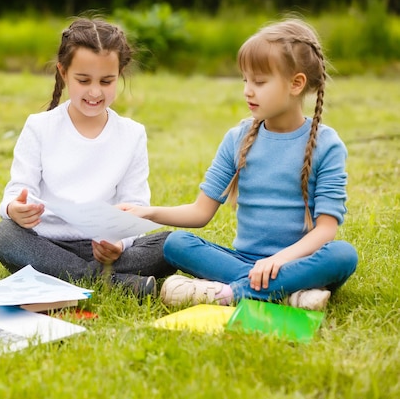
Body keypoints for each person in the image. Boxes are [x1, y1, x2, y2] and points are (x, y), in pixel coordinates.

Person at [120, 18, 358, 310]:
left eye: (259, 82)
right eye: (245, 80)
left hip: (298, 261)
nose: (248, 90)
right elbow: (200, 212)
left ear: (296, 83)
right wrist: (147, 212)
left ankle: (229, 293)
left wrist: (278, 261)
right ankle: (291, 292)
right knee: (176, 243)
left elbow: (325, 230)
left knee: (343, 255)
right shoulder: (237, 138)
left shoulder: (327, 144)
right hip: (242, 259)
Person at [0, 17, 175, 298]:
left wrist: (119, 244)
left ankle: (84, 276)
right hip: (48, 244)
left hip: (105, 248)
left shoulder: (131, 134)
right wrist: (14, 209)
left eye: (106, 81)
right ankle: (109, 282)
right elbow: (15, 193)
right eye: (83, 80)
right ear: (63, 73)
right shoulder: (39, 127)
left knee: (174, 244)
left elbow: (135, 205)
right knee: (5, 235)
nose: (95, 92)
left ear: (120, 73)